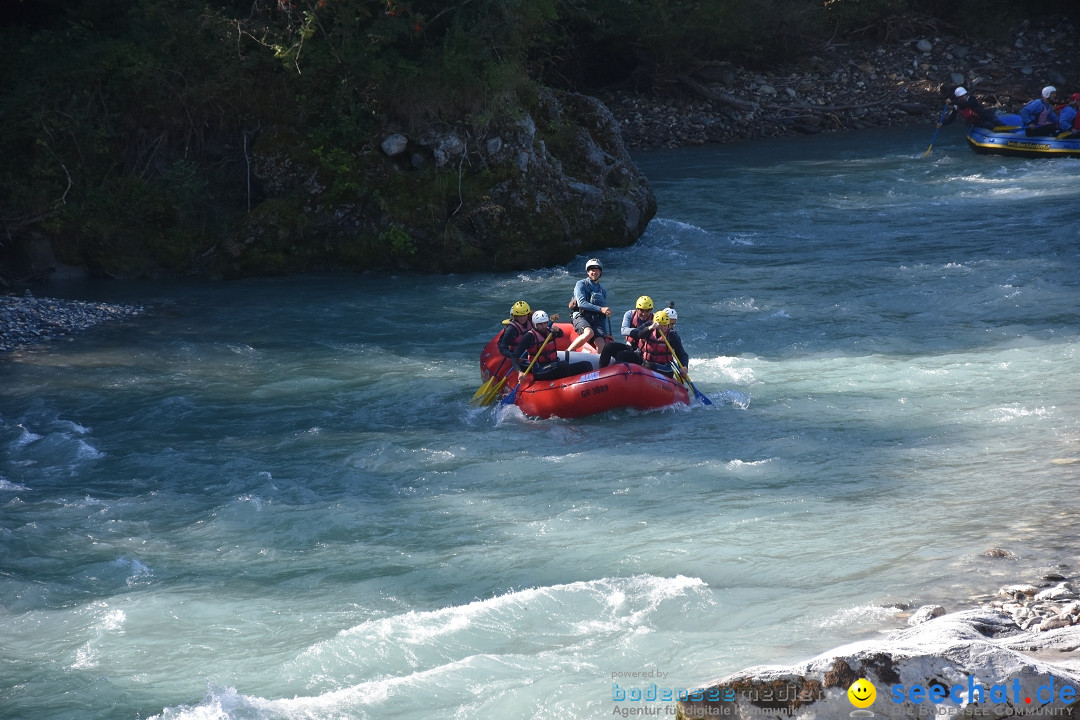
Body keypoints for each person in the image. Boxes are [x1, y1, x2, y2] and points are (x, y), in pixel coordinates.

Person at [514, 311, 594, 380]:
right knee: (563, 365)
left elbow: (561, 334)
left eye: (545, 323)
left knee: (587, 365)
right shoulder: (529, 337)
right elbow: (514, 356)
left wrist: (558, 330)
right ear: (535, 325)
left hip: (553, 365)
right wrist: (519, 372)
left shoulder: (550, 332)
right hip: (540, 370)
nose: (544, 326)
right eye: (540, 324)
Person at [566, 258, 613, 352]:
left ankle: (599, 364)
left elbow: (603, 314)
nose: (594, 272)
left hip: (595, 320)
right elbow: (581, 303)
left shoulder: (602, 290)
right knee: (589, 333)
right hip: (581, 316)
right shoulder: (581, 284)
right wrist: (601, 309)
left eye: (596, 270)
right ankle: (567, 352)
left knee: (600, 341)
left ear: (600, 272)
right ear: (588, 272)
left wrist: (605, 333)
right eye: (592, 270)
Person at [626, 308, 689, 376]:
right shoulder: (650, 329)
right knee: (624, 355)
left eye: (664, 325)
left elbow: (682, 354)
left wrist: (684, 366)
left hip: (664, 367)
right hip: (646, 362)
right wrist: (650, 328)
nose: (662, 328)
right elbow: (639, 335)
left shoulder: (671, 335)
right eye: (660, 325)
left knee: (649, 366)